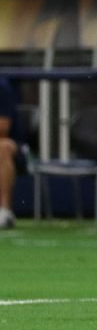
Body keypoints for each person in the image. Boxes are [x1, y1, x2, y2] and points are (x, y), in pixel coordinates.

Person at [0, 76, 22, 230]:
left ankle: (4, 211)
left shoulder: (1, 87)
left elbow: (3, 129)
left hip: (15, 146)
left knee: (3, 147)